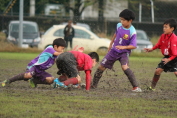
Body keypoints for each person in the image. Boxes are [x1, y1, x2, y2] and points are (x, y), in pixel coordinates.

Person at [91, 9, 142, 92]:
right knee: (101, 66)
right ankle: (94, 85)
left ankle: (136, 87)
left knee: (124, 67)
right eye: (120, 19)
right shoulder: (119, 25)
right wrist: (111, 44)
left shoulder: (132, 32)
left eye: (123, 20)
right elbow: (116, 34)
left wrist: (123, 47)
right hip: (114, 51)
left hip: (124, 53)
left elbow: (133, 46)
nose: (121, 22)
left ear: (130, 21)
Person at [1, 38, 66, 87]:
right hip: (34, 67)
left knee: (51, 80)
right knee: (28, 75)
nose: (62, 50)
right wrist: (68, 53)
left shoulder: (56, 56)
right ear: (55, 46)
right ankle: (9, 81)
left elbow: (59, 59)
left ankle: (34, 81)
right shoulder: (50, 48)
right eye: (62, 48)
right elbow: (58, 54)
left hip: (40, 71)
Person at [144, 18, 177, 91]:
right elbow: (159, 45)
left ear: (172, 28)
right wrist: (151, 49)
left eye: (166, 27)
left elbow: (175, 54)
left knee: (176, 72)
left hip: (174, 58)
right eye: (163, 27)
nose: (164, 29)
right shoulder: (163, 36)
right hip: (167, 57)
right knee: (157, 71)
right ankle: (152, 88)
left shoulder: (174, 39)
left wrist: (169, 59)